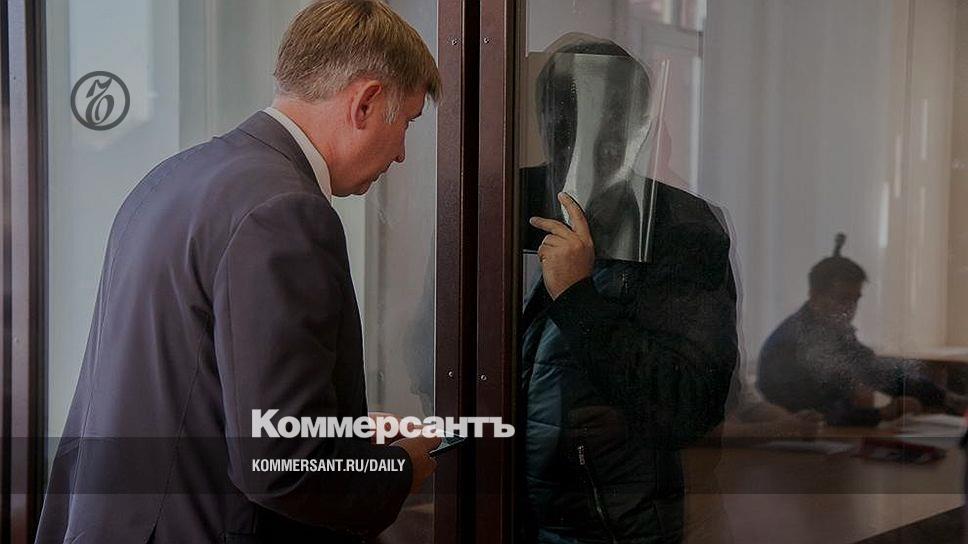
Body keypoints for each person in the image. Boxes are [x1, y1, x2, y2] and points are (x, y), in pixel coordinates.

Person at [36, 2, 441, 543]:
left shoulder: (171, 178)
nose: (403, 154)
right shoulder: (287, 212)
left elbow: (200, 391)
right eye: (407, 122)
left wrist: (344, 433)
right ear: (365, 102)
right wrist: (400, 470)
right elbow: (282, 466)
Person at [520, 37, 738, 544]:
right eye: (568, 115)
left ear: (641, 125)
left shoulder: (678, 227)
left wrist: (578, 299)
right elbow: (434, 356)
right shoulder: (499, 200)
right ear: (545, 120)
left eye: (613, 117)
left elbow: (690, 403)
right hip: (500, 511)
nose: (590, 137)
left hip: (617, 523)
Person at [758, 234, 966, 426]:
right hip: (797, 446)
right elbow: (820, 412)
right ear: (814, 295)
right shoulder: (788, 345)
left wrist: (947, 398)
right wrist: (885, 412)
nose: (850, 309)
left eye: (855, 300)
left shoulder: (837, 333)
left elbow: (880, 373)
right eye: (842, 299)